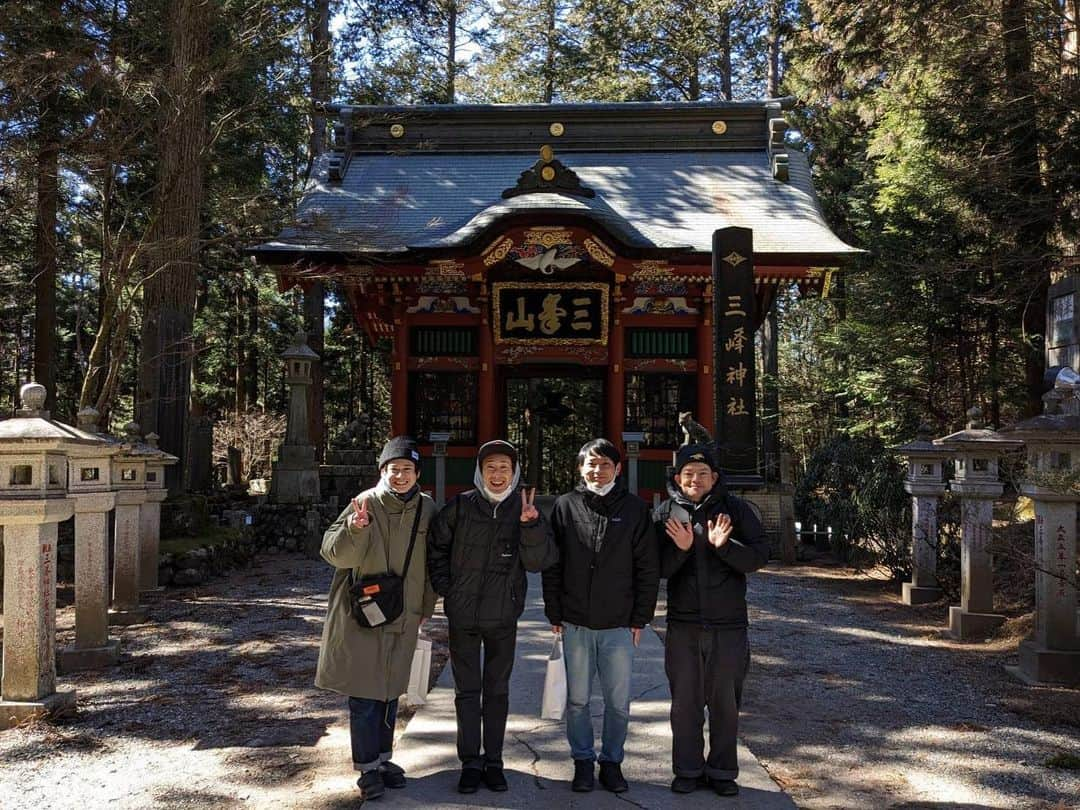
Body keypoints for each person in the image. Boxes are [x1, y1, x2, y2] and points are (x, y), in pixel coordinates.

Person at [428, 439, 558, 794]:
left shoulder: (524, 508)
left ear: (514, 473)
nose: (497, 475)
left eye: (505, 468)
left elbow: (539, 562)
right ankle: (470, 762)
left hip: (503, 615)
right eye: (491, 468)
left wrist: (530, 527)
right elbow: (436, 547)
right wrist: (446, 588)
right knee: (467, 692)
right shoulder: (460, 505)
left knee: (497, 691)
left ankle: (494, 761)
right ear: (480, 471)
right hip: (463, 614)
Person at [315, 436, 436, 802]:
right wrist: (357, 527)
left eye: (407, 470)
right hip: (362, 613)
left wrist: (425, 609)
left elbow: (431, 565)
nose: (400, 476)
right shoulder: (364, 502)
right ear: (382, 471)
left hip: (404, 611)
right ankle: (367, 768)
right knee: (365, 695)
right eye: (393, 469)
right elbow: (334, 554)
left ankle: (384, 760)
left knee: (389, 692)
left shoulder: (427, 508)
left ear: (417, 474)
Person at [542, 438, 659, 794]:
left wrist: (640, 617)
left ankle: (611, 762)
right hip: (576, 620)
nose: (597, 470)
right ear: (580, 468)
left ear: (617, 469)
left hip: (619, 622)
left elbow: (647, 566)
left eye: (605, 464)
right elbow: (552, 565)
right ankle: (581, 761)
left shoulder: (636, 509)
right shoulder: (564, 506)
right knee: (578, 700)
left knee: (617, 702)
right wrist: (554, 612)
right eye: (591, 464)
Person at [654, 443, 770, 798]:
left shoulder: (736, 510)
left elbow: (759, 556)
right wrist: (682, 549)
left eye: (703, 474)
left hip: (729, 624)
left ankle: (722, 770)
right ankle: (687, 769)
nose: (695, 480)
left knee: (725, 702)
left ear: (715, 477)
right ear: (677, 477)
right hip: (684, 624)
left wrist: (725, 547)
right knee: (685, 702)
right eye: (688, 474)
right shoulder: (664, 513)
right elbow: (656, 567)